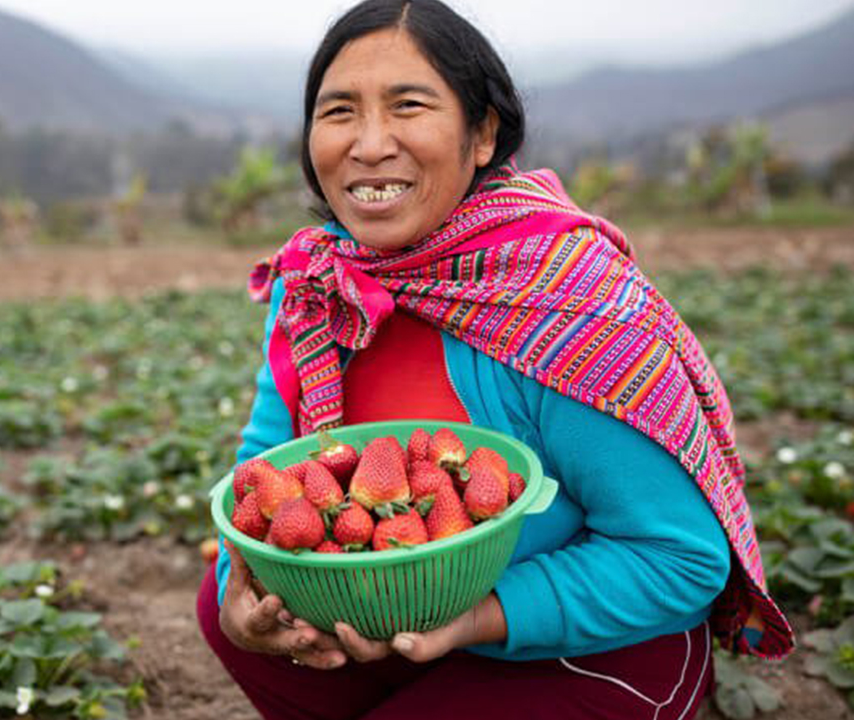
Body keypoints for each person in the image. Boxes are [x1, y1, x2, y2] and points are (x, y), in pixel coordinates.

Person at [195, 1, 794, 718]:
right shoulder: (317, 286)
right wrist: (245, 595)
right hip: (398, 630)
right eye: (339, 111)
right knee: (218, 605)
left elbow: (678, 559)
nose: (370, 143)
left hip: (595, 649)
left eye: (408, 106)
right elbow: (267, 467)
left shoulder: (564, 301)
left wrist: (478, 617)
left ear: (482, 135)